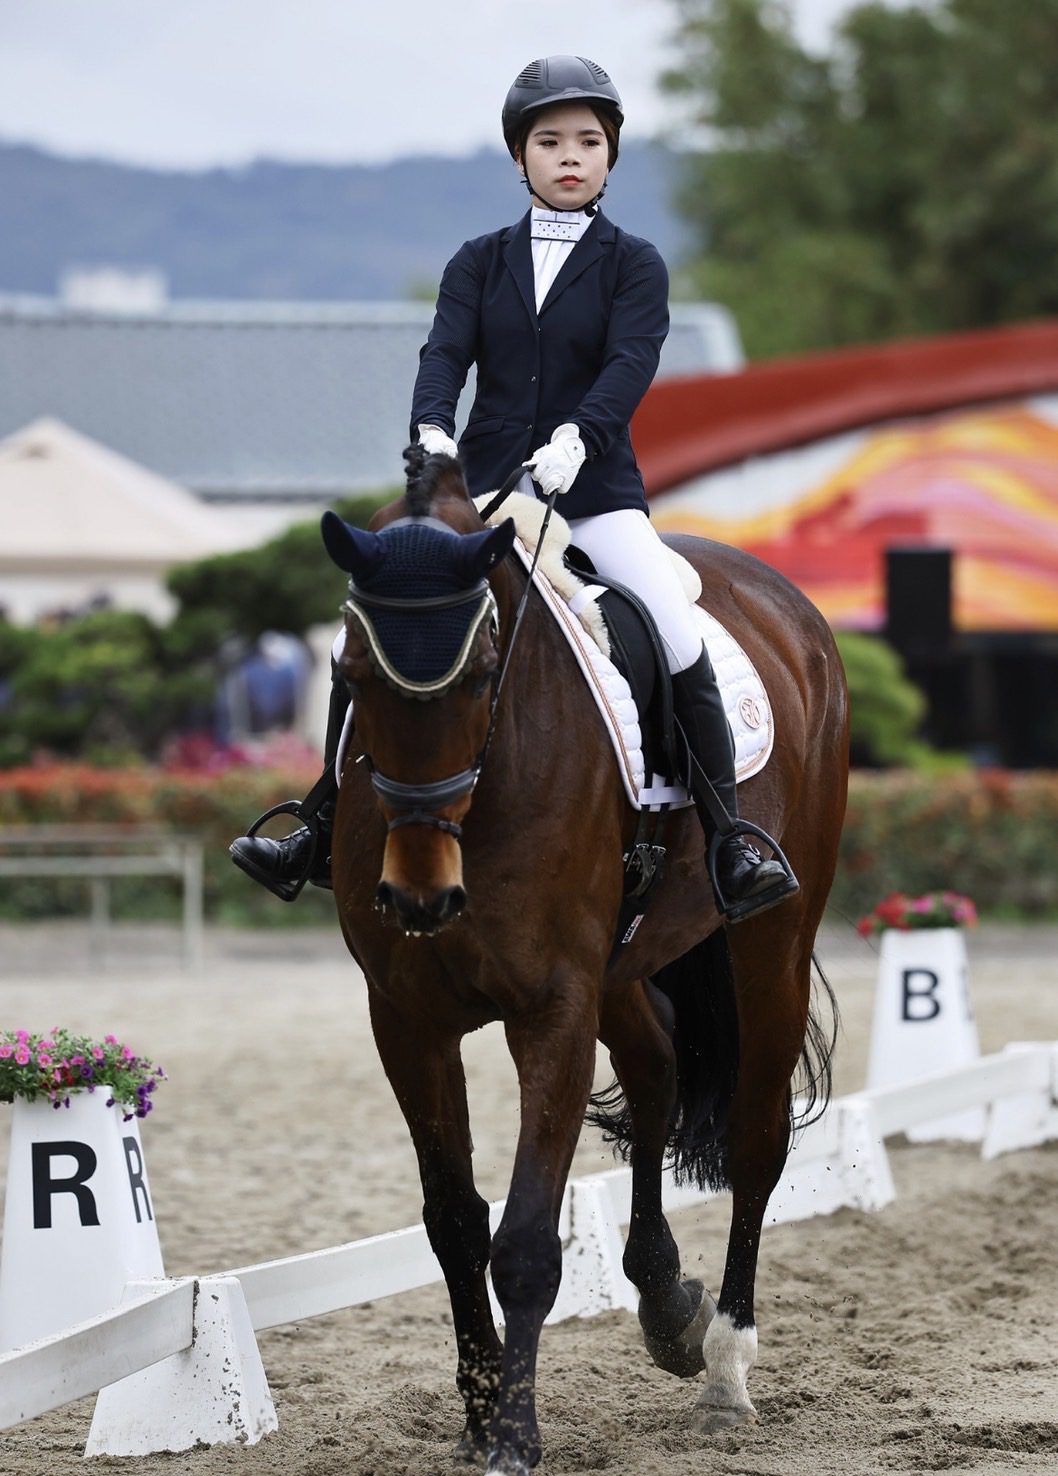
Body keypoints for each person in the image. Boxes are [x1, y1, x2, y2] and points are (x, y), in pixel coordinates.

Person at [232, 54, 797, 923]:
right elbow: (445, 353)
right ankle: (318, 817)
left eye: (587, 141)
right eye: (549, 141)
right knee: (380, 619)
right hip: (488, 499)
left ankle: (728, 836)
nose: (569, 156)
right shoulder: (478, 261)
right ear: (520, 156)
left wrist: (580, 438)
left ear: (609, 155)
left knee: (672, 625)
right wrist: (430, 429)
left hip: (594, 493)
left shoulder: (634, 264)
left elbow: (629, 363)